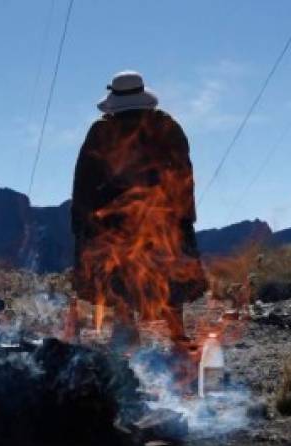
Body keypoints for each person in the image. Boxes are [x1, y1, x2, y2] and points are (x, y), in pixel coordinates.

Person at [71, 71, 206, 348]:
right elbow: (183, 172)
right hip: (163, 216)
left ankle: (125, 328)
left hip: (113, 220)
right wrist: (184, 216)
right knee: (170, 275)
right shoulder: (167, 127)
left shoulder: (102, 132)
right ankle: (177, 334)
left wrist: (82, 222)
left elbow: (84, 179)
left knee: (118, 274)